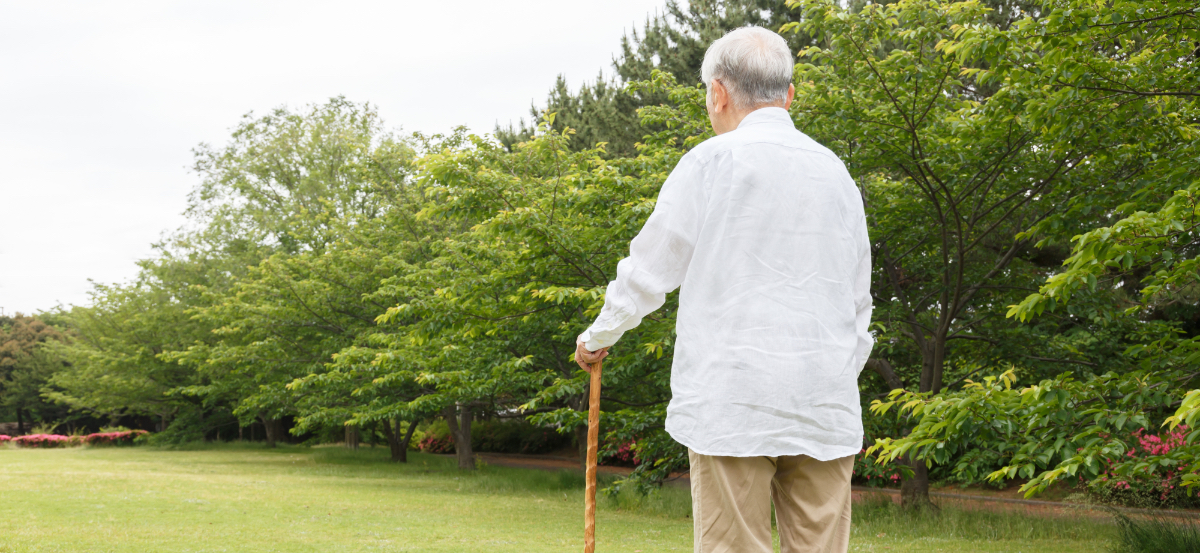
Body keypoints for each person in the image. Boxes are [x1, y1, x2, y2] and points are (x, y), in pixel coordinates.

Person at [574, 26, 873, 553]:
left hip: (733, 399)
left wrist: (600, 335)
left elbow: (650, 267)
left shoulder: (712, 162)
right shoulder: (837, 175)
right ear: (789, 95)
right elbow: (857, 303)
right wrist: (830, 375)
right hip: (823, 400)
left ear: (718, 92)